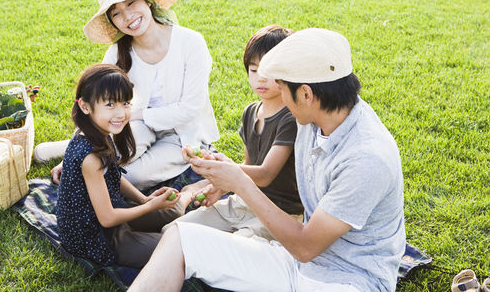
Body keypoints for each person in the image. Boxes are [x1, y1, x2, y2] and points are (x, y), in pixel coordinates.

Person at [128, 28, 406, 292]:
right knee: (179, 239)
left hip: (346, 281)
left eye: (283, 87)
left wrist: (240, 182)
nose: (279, 95)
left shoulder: (367, 158)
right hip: (295, 262)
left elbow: (306, 246)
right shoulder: (317, 115)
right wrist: (226, 180)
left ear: (306, 93)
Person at [37, 0, 219, 190]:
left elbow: (190, 109)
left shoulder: (191, 43)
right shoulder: (118, 52)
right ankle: (70, 147)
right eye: (116, 13)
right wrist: (72, 158)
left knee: (127, 178)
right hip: (134, 125)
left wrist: (137, 114)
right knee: (101, 158)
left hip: (182, 133)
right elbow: (96, 104)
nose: (127, 17)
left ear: (148, 2)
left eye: (131, 3)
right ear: (112, 22)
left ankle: (63, 147)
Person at [56, 64, 204, 268]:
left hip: (113, 214)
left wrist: (144, 200)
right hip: (97, 239)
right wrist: (150, 207)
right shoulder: (90, 157)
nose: (120, 113)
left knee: (172, 212)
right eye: (110, 105)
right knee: (181, 251)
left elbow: (114, 175)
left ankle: (188, 193)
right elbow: (107, 219)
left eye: (125, 103)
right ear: (85, 106)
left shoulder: (100, 132)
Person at [163, 25, 303, 240]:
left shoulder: (291, 118)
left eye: (269, 72)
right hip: (243, 201)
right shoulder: (251, 112)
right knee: (173, 232)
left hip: (280, 213)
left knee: (231, 249)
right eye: (254, 70)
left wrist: (223, 169)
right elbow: (249, 170)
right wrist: (221, 184)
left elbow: (265, 175)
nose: (260, 78)